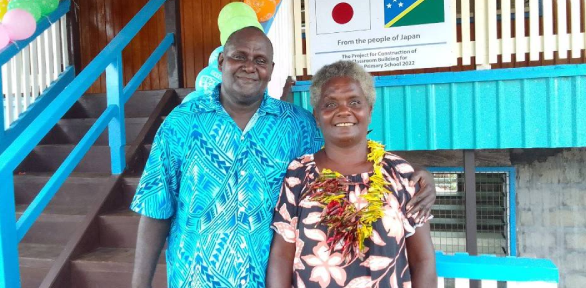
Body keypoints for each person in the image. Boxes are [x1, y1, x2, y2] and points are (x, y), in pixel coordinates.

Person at [130, 27, 436, 288]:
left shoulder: (297, 124)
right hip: (194, 279)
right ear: (222, 61)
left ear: (271, 70)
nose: (250, 66)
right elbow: (156, 206)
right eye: (240, 56)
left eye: (260, 60)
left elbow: (349, 150)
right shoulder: (180, 124)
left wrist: (415, 174)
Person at [266, 61, 437, 288]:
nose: (343, 110)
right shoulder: (299, 174)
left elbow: (423, 260)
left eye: (354, 102)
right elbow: (281, 257)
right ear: (317, 116)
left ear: (370, 110)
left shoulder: (400, 174)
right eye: (330, 104)